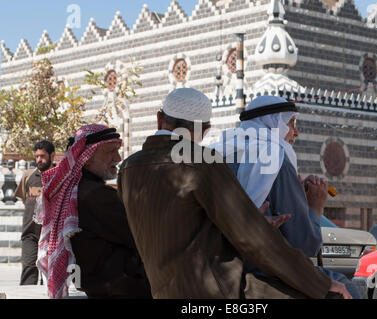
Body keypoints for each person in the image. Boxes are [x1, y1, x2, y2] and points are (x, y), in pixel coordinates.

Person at [118, 88, 351, 299]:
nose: (295, 133)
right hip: (217, 288)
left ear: (159, 119)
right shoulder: (202, 163)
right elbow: (256, 240)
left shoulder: (128, 169)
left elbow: (182, 228)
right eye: (290, 124)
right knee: (342, 291)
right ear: (206, 129)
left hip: (163, 290)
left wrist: (252, 220)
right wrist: (319, 283)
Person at [212, 95, 360, 298]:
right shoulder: (278, 159)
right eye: (290, 123)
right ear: (274, 125)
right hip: (267, 271)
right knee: (346, 287)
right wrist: (315, 206)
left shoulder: (219, 152)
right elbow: (304, 244)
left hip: (220, 266)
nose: (296, 132)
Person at [35, 125, 151, 299]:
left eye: (117, 151)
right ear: (87, 157)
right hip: (122, 289)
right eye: (111, 151)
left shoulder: (80, 191)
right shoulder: (95, 196)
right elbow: (143, 237)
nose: (118, 158)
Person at [14, 140, 55, 285]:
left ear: (52, 156)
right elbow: (26, 200)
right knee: (28, 269)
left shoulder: (59, 177)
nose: (39, 160)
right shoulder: (28, 176)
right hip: (30, 234)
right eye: (37, 156)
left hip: (52, 235)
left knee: (49, 275)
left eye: (42, 156)